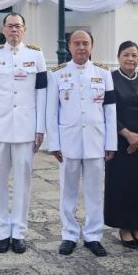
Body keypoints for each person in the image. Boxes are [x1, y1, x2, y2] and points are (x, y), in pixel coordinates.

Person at [0, 12, 47, 254]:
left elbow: (42, 94)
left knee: (22, 183)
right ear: (3, 30)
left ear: (24, 30)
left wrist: (40, 128)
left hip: (26, 128)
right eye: (10, 27)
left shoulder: (36, 55)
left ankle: (18, 232)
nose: (14, 31)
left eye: (18, 26)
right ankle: (1, 232)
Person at [45, 31, 116, 257]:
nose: (81, 47)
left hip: (96, 141)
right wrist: (54, 143)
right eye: (77, 43)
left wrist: (111, 143)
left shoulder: (104, 73)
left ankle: (93, 235)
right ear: (69, 46)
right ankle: (69, 234)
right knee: (68, 191)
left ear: (92, 46)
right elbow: (51, 112)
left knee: (95, 192)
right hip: (69, 142)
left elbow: (110, 111)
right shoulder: (57, 74)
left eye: (86, 43)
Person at [105, 40, 138, 247]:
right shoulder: (110, 79)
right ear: (119, 57)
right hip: (120, 143)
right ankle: (124, 229)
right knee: (122, 186)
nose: (130, 59)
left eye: (134, 55)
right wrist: (127, 134)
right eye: (126, 54)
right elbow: (108, 110)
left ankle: (137, 227)